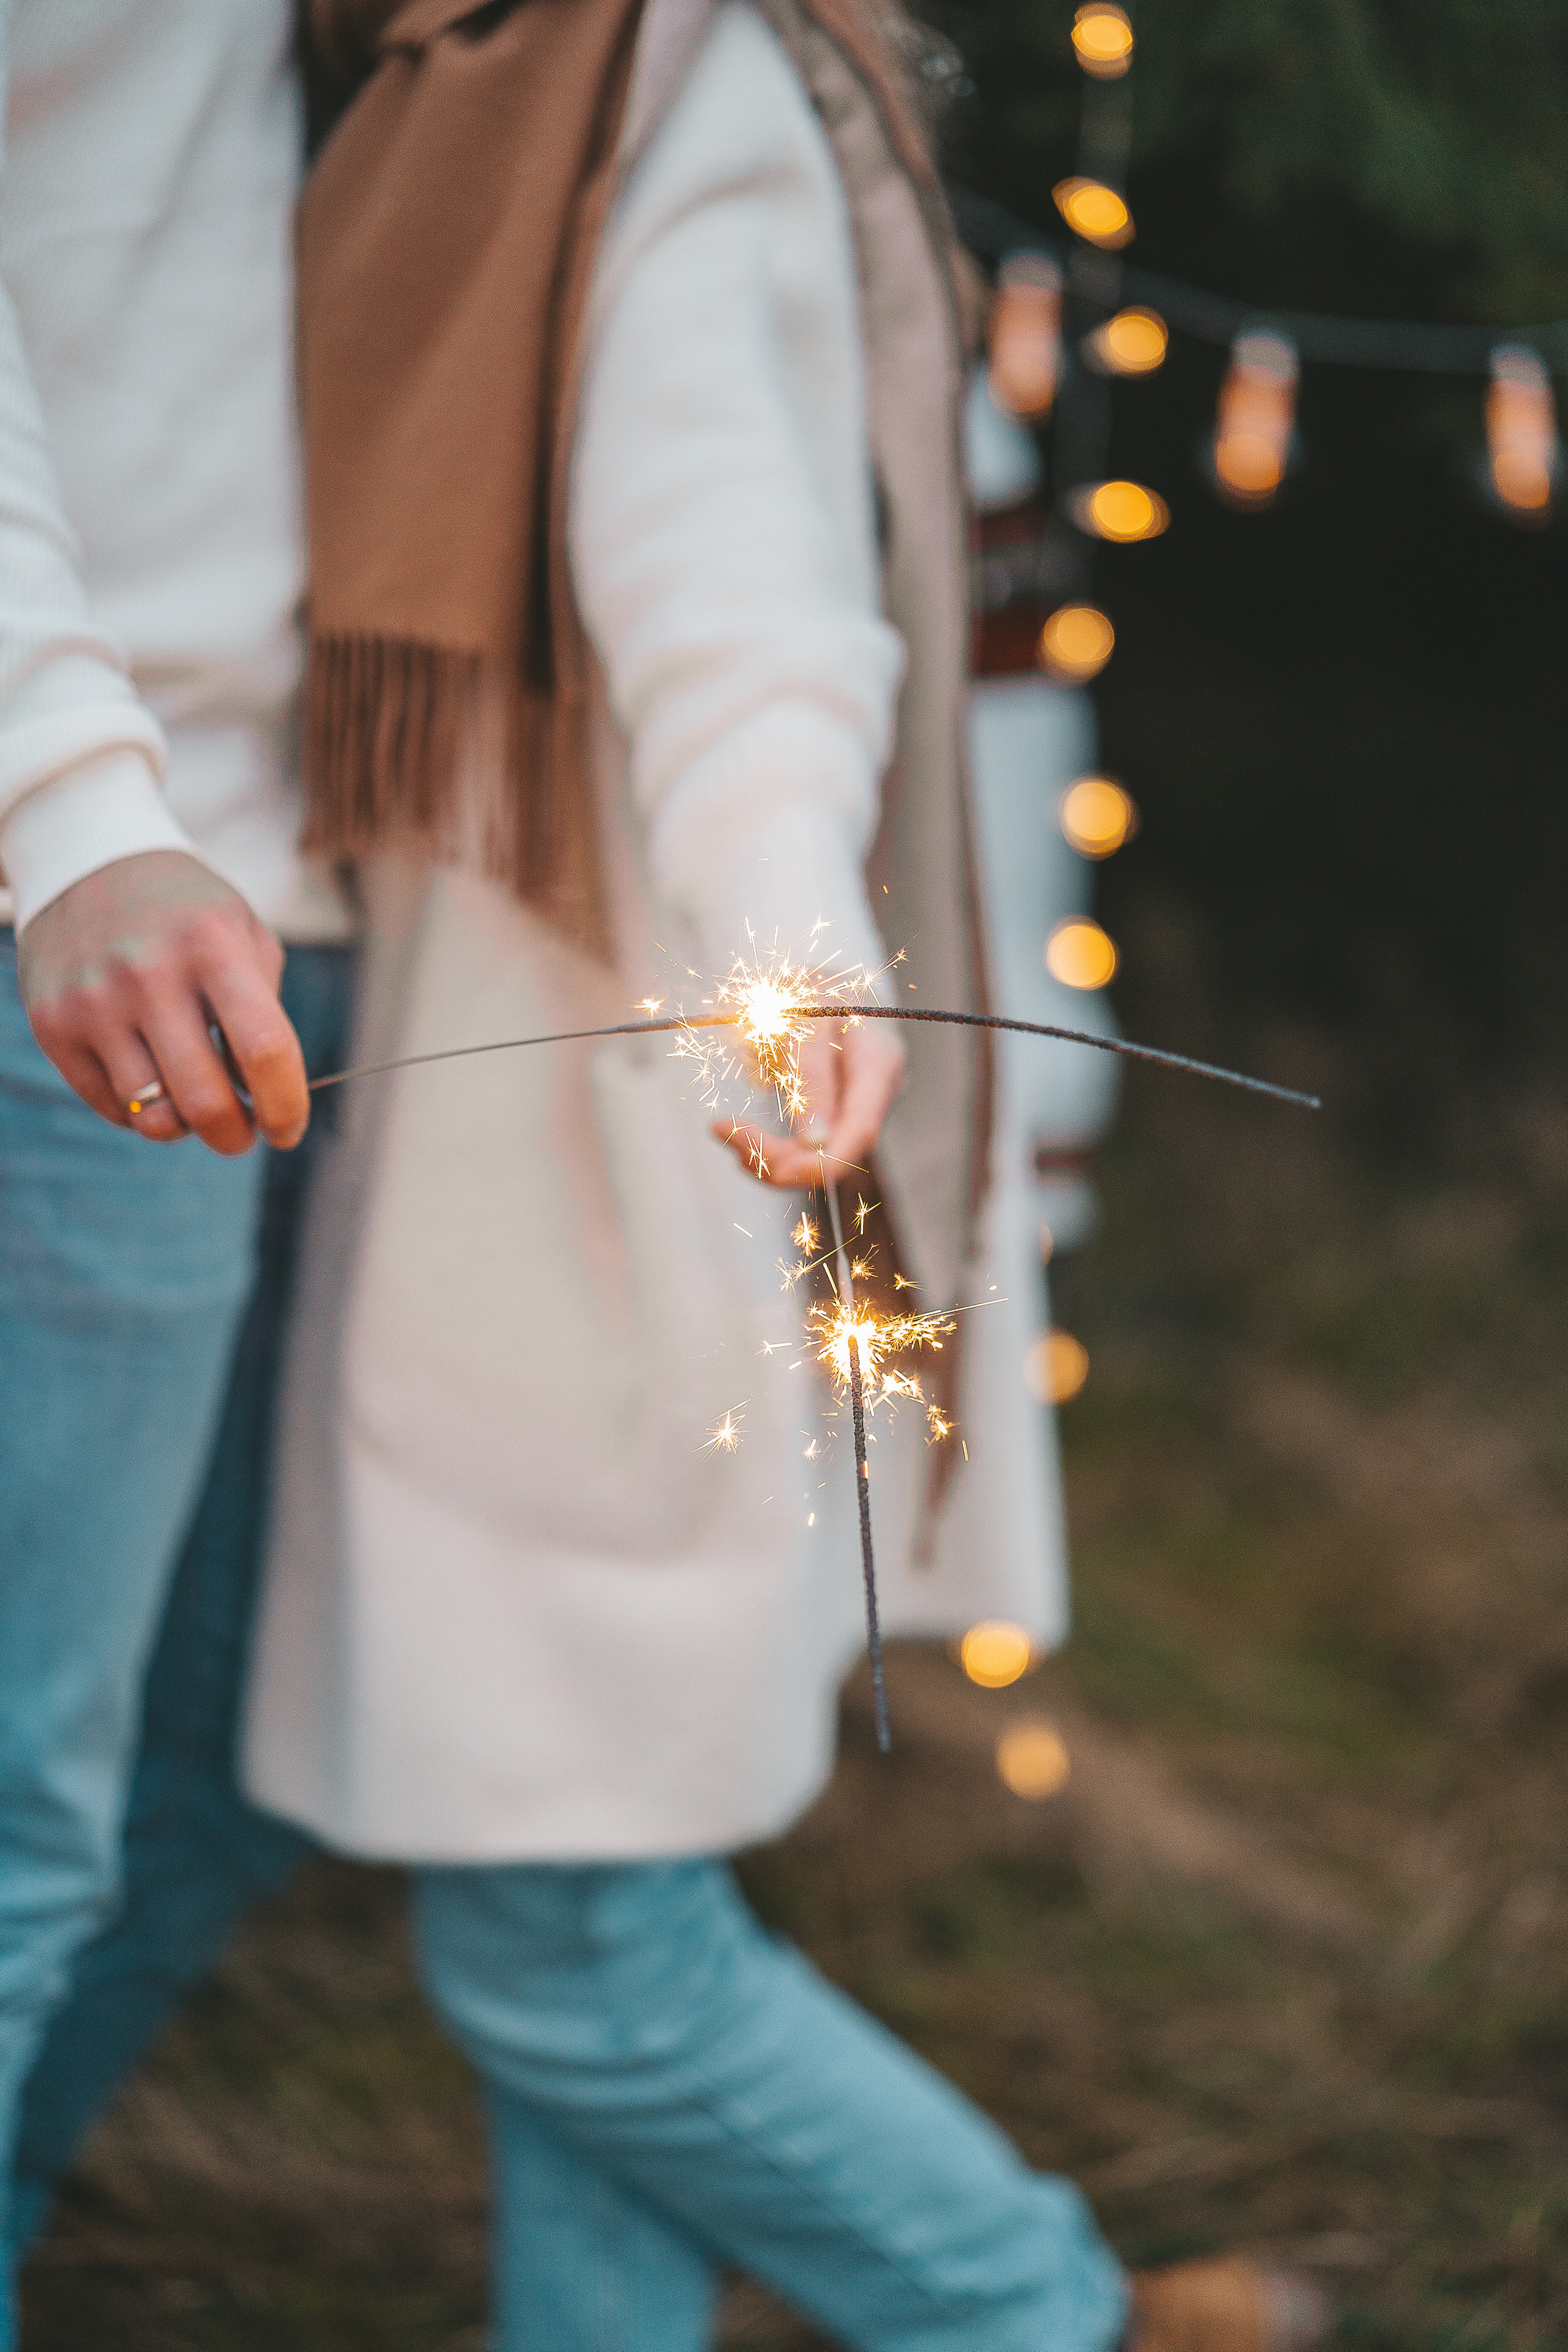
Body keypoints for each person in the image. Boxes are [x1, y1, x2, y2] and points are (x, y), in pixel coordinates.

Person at [15, 1, 1327, 2345]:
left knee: (573, 1926)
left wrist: (793, 936)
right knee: (515, 1883)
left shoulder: (637, 90)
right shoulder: (410, 84)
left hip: (610, 1173)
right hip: (424, 1109)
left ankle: (1035, 2312)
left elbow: (744, 599)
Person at [0, 4, 356, 2342]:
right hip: (96, 914)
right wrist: (67, 802)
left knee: (245, 1742)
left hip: (296, 906)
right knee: (28, 1832)